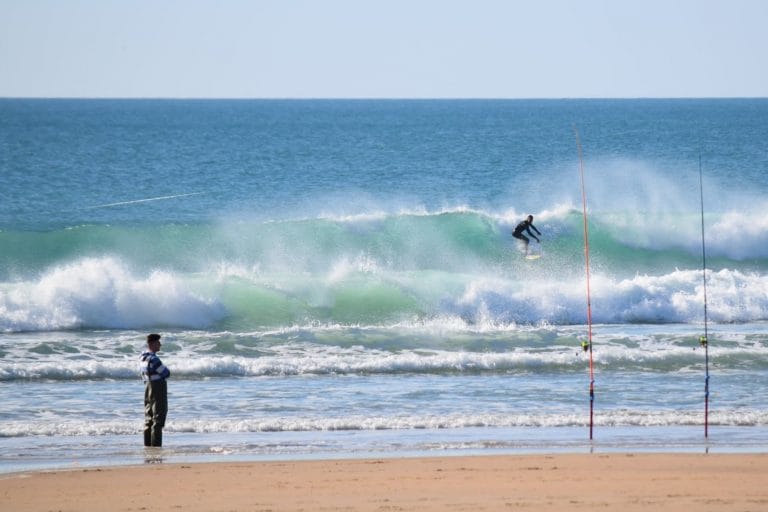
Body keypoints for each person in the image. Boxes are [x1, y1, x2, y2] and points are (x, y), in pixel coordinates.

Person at [140, 333, 170, 447]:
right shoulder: (154, 359)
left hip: (147, 387)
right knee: (158, 419)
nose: (160, 345)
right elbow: (166, 373)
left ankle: (147, 446)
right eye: (158, 342)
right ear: (152, 344)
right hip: (157, 388)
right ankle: (156, 448)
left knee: (149, 418)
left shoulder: (142, 357)